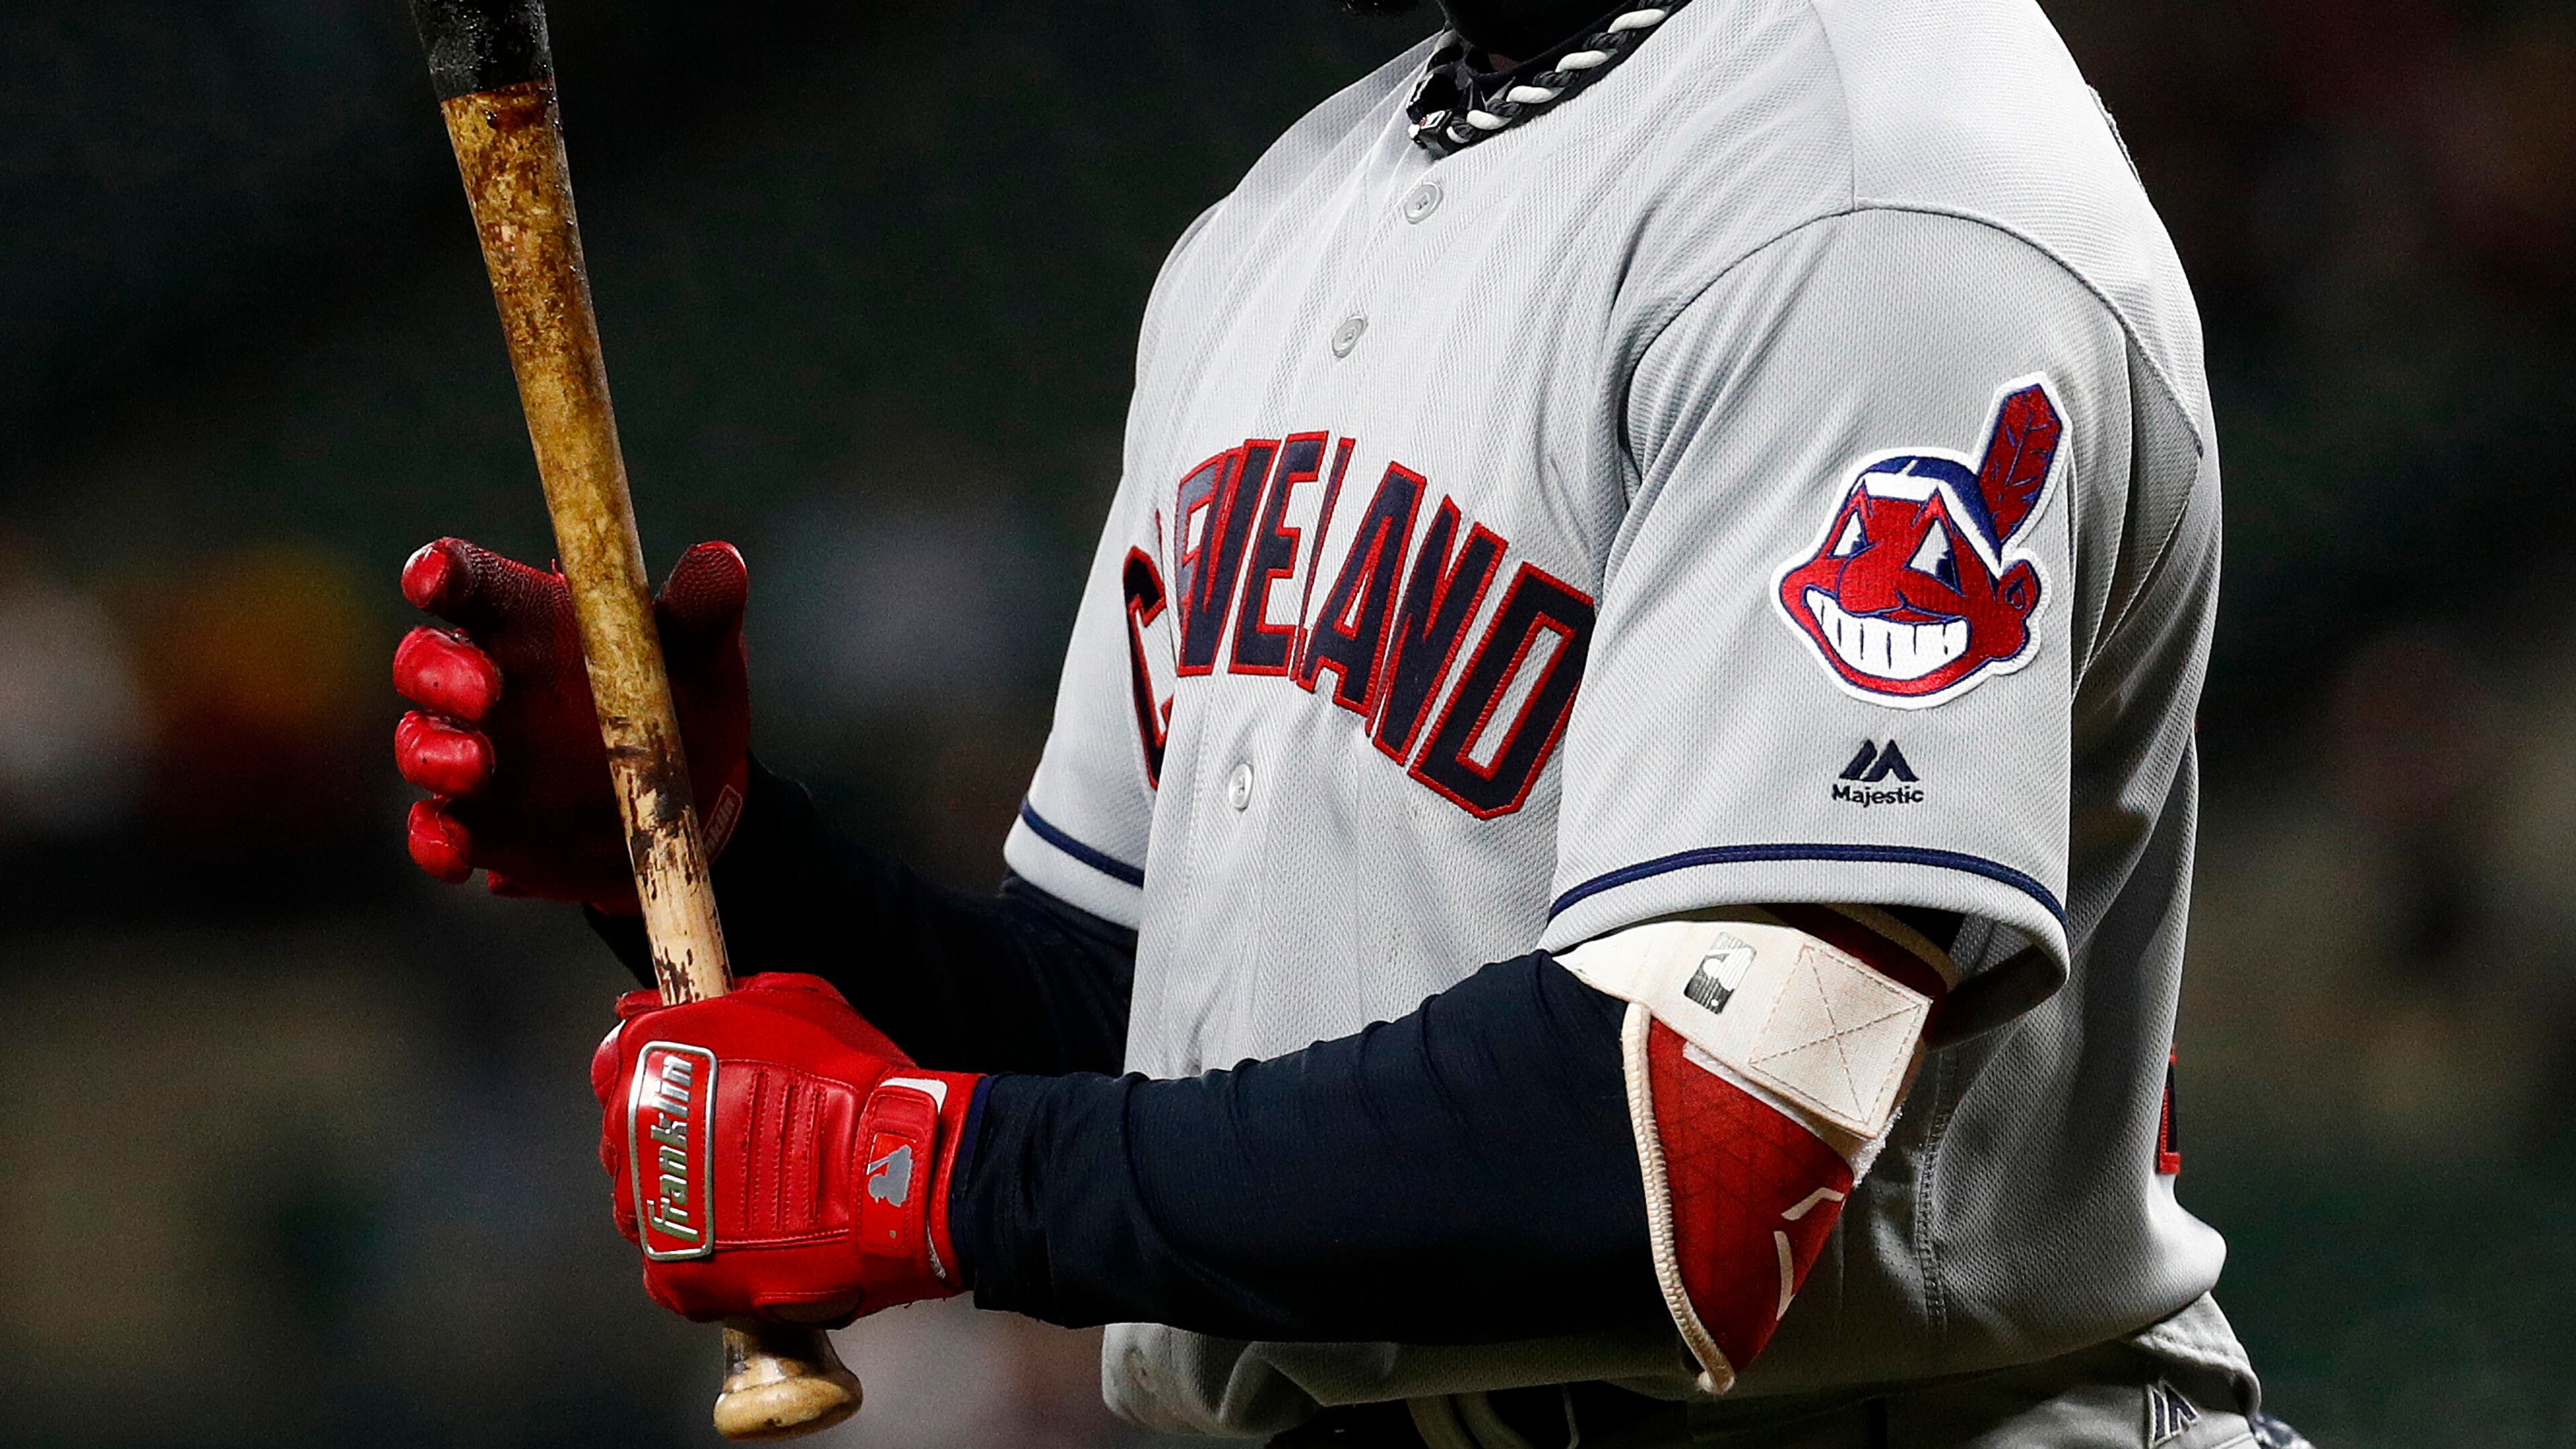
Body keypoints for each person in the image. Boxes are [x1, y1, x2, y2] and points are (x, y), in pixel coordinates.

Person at [392, 0, 2314, 1443]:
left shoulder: (1877, 174)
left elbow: (1702, 1160)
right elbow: (1149, 1052)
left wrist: (931, 1175)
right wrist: (712, 853)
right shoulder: (1281, 220)